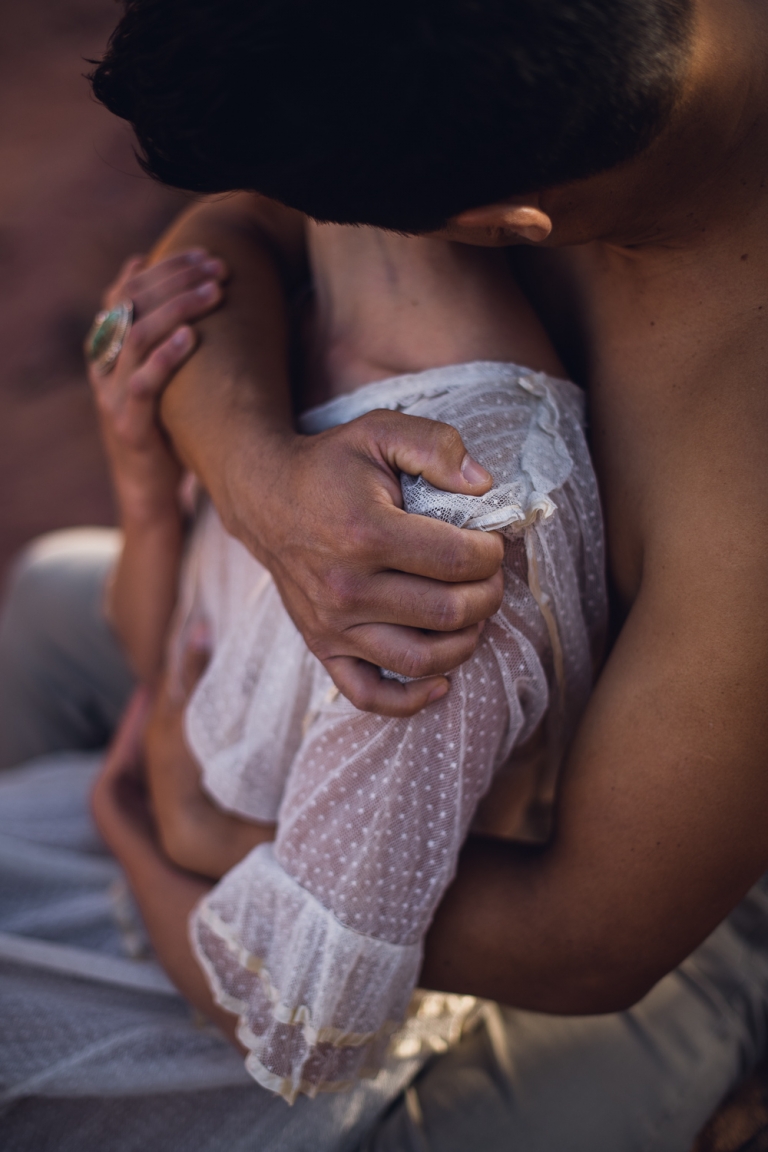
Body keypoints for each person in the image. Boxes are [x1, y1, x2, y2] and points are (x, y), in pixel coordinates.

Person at [3, 0, 768, 1146]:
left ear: (499, 227)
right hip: (315, 711)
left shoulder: (732, 466)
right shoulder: (480, 60)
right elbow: (225, 234)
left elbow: (594, 938)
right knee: (52, 593)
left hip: (648, 905)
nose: (326, 232)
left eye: (340, 219)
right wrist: (263, 481)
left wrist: (199, 830)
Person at [91, 219, 604, 1103]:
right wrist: (143, 490)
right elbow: (160, 660)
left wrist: (146, 828)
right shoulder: (260, 340)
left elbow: (302, 1028)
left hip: (252, 995)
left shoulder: (442, 532)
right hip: (176, 867)